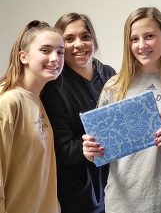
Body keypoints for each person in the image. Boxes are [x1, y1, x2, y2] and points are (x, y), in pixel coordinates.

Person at [82, 7, 161, 213]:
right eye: (134, 39)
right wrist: (91, 151)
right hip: (123, 202)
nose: (142, 45)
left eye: (149, 36)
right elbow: (101, 150)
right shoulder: (114, 86)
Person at [41, 13, 116, 213]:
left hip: (115, 183)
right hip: (78, 192)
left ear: (94, 41)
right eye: (69, 39)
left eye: (85, 36)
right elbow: (59, 147)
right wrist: (85, 148)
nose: (79, 44)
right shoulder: (53, 86)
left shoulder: (109, 74)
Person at [0, 20, 64, 213]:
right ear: (24, 57)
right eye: (45, 50)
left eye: (60, 52)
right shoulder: (9, 101)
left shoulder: (37, 99)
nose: (55, 58)